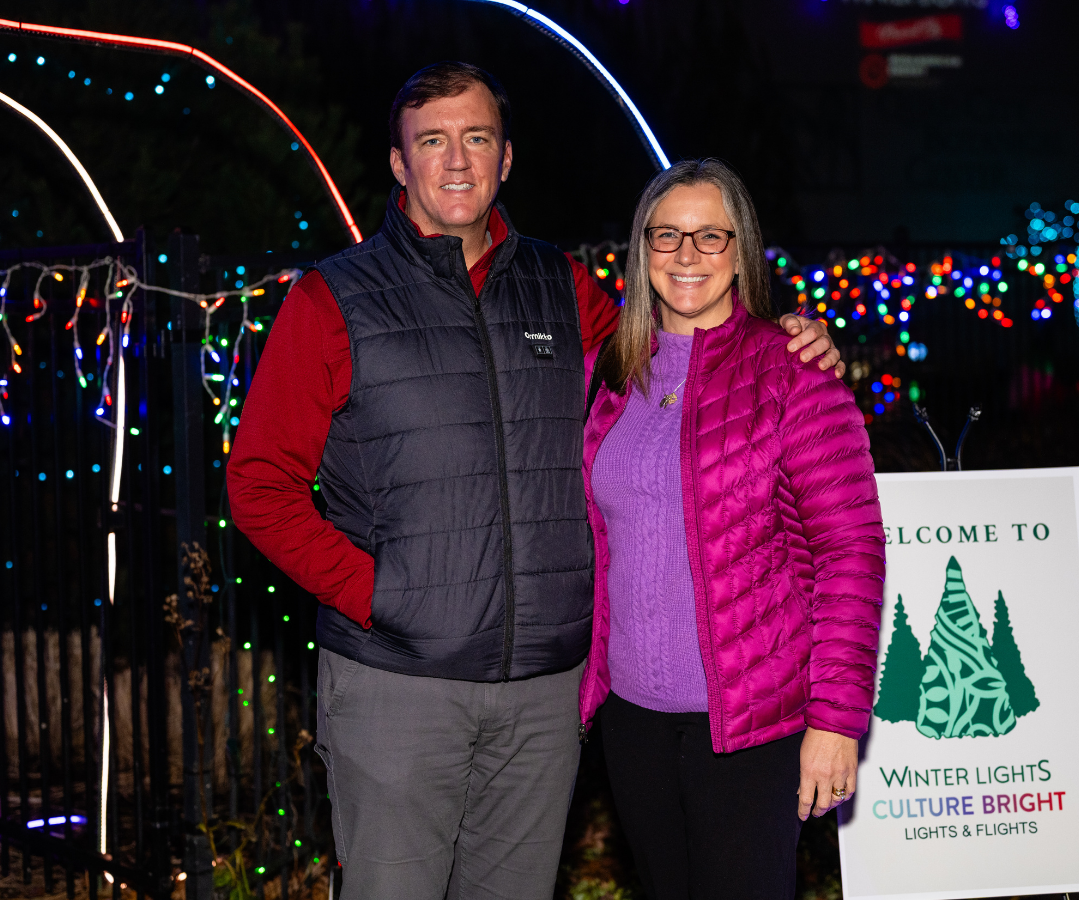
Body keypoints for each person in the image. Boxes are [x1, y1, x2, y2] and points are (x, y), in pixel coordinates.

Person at [228, 63, 842, 900]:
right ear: (400, 165)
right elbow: (260, 485)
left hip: (547, 697)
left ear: (506, 158)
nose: (455, 161)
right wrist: (382, 595)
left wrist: (789, 337)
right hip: (400, 683)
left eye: (476, 139)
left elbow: (681, 336)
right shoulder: (334, 300)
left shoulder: (562, 288)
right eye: (431, 142)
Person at [578, 158, 886, 900]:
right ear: (640, 249)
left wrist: (837, 723)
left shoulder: (794, 376)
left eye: (709, 236)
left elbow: (852, 553)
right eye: (667, 236)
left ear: (741, 248)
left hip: (752, 729)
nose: (686, 255)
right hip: (633, 723)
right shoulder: (608, 373)